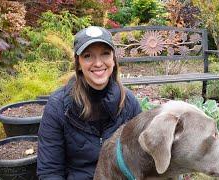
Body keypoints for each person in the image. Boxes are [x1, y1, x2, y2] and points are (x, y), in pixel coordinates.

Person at [37, 26, 142, 179]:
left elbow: (141, 158)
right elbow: (49, 171)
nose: (98, 63)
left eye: (105, 54)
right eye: (88, 56)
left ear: (113, 60)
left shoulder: (129, 102)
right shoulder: (58, 106)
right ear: (78, 63)